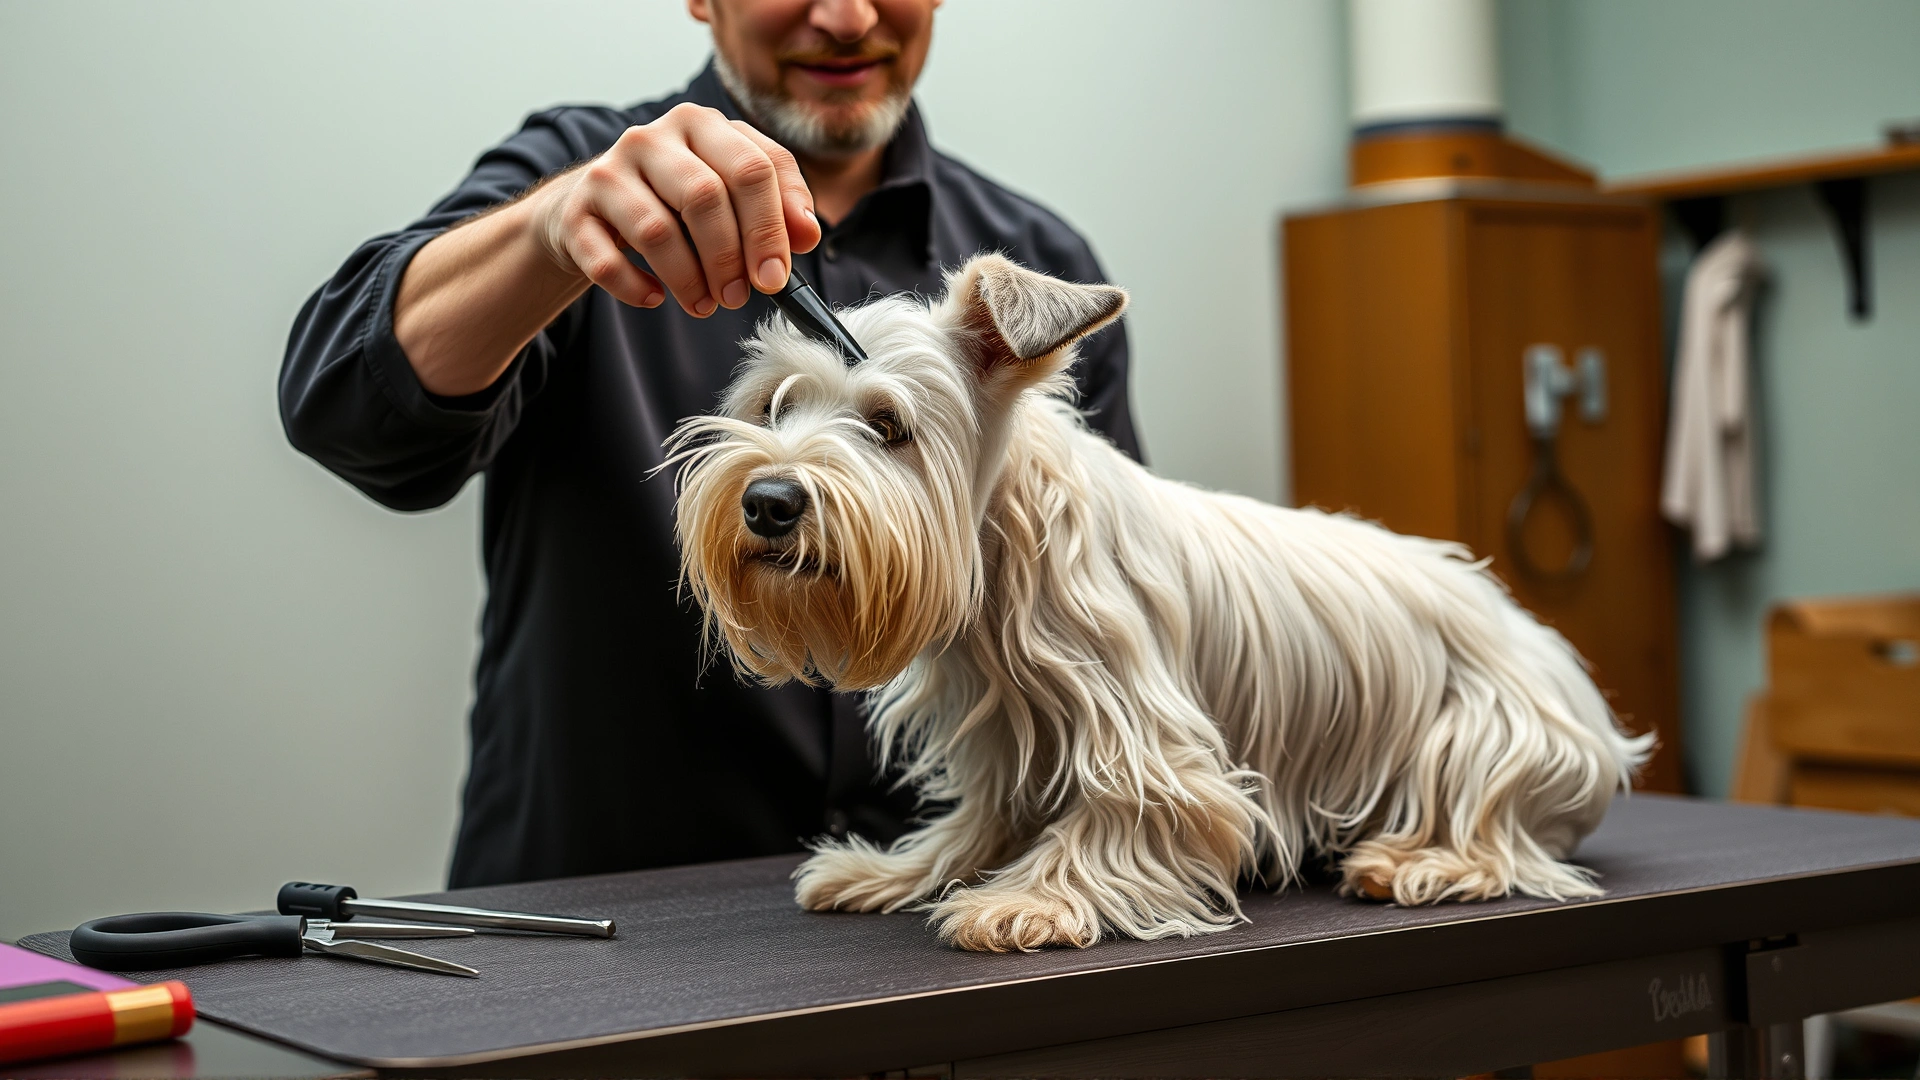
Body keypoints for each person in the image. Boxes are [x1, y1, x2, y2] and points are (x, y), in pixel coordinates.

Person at [280, 0, 1142, 888]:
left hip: (928, 943)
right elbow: (347, 409)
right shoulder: (571, 183)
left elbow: (1096, 638)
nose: (846, 18)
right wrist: (550, 232)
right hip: (585, 935)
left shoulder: (1039, 276)